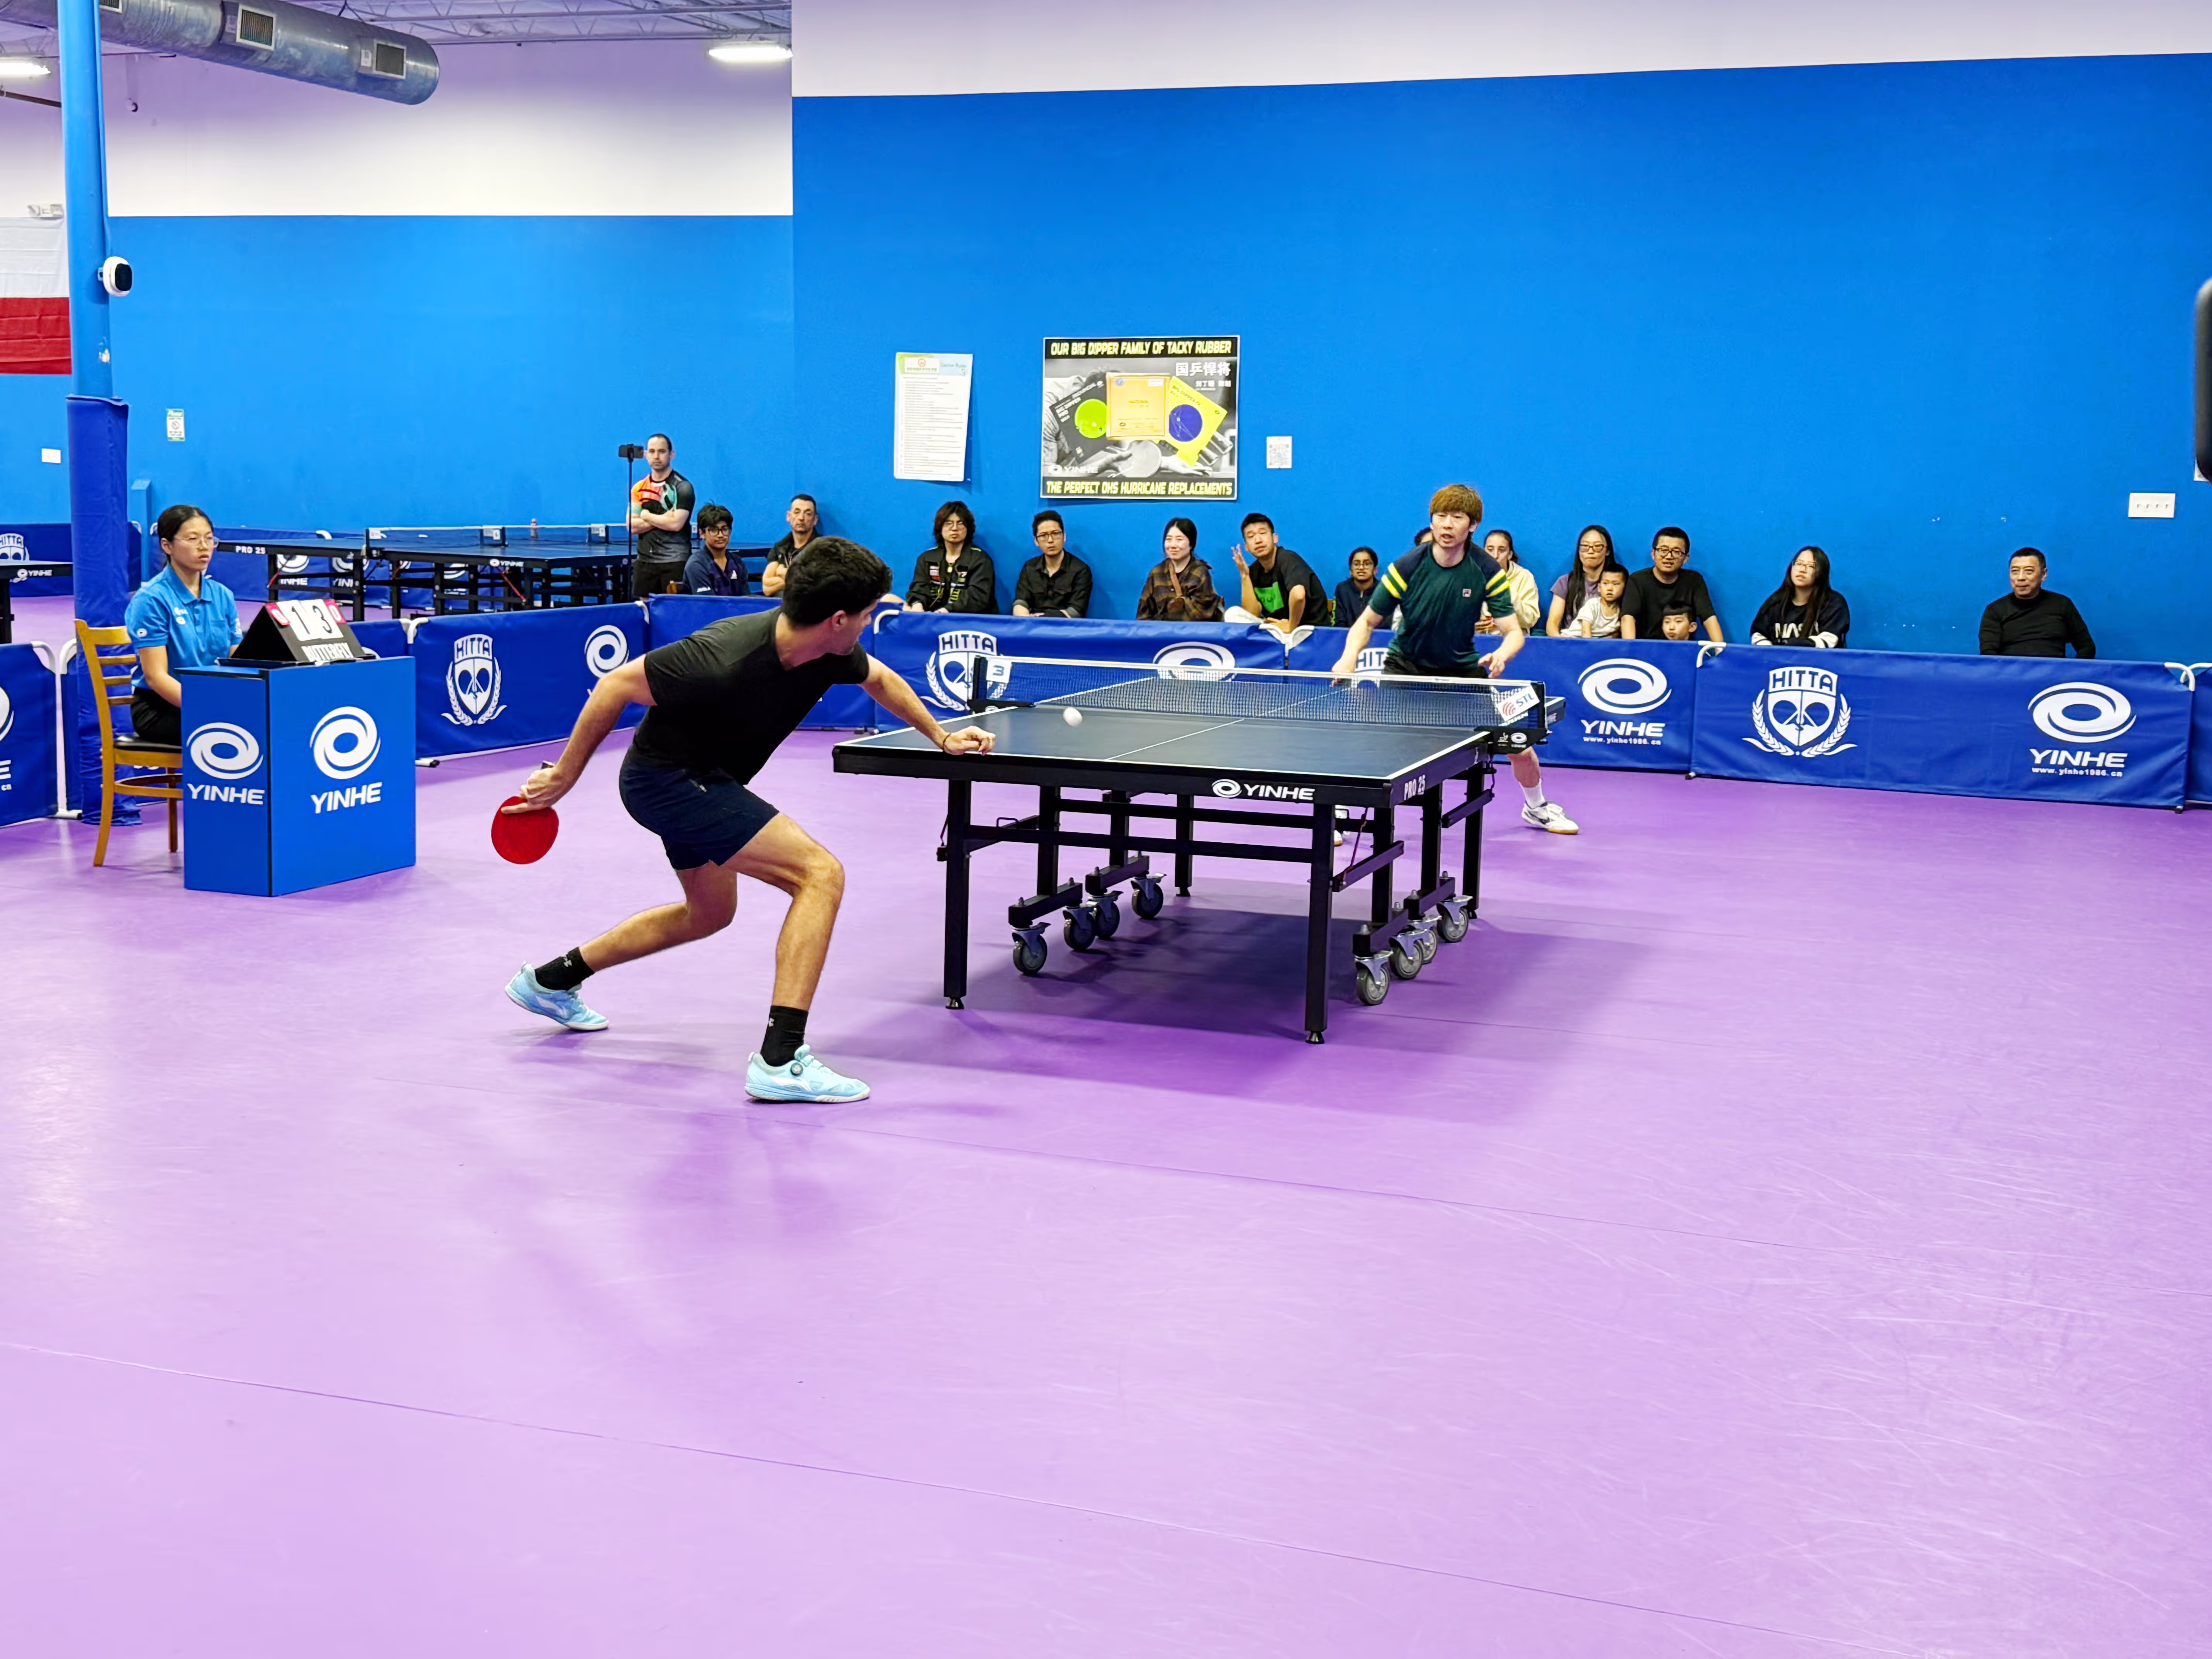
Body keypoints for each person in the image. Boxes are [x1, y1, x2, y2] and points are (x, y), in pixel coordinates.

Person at [501, 539, 994, 1104]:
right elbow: (616, 685)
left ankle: (550, 981)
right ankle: (781, 1059)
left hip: (704, 779)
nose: (869, 622)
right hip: (668, 780)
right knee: (820, 874)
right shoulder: (722, 657)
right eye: (867, 614)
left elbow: (878, 679)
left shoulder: (831, 651)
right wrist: (565, 775)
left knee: (709, 914)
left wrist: (942, 736)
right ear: (838, 620)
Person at [1331, 484, 1578, 835]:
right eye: (1440, 517)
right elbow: (1367, 621)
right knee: (1373, 743)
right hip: (1407, 670)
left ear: (1472, 524)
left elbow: (1514, 632)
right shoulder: (1409, 566)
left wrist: (1502, 655)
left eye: (1456, 517)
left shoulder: (1485, 568)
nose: (1446, 525)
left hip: (1462, 672)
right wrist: (1348, 658)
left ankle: (1537, 807)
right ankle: (1341, 813)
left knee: (1518, 743)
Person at [125, 504, 242, 745]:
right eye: (192, 539)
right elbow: (156, 677)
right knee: (236, 732)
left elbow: (237, 660)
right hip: (161, 708)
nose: (204, 547)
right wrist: (206, 708)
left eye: (210, 539)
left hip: (216, 700)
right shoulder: (152, 599)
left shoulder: (223, 596)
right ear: (167, 546)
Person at [1978, 548, 2095, 658]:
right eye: (2015, 572)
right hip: (2011, 676)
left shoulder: (2062, 605)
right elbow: (1988, 655)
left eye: (2029, 571)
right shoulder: (1995, 610)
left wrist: (2072, 674)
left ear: (2044, 575)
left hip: (2056, 676)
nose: (2021, 578)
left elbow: (2087, 648)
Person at [1226, 513, 1321, 638]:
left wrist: (1291, 627)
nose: (1258, 540)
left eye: (1263, 533)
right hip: (1277, 631)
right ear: (1247, 547)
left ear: (1275, 538)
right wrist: (1245, 576)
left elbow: (1298, 595)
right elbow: (1253, 613)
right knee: (1233, 614)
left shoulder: (1288, 559)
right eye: (1251, 536)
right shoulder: (1254, 571)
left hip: (1306, 632)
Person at [1621, 526, 1721, 643]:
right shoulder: (1637, 580)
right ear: (1653, 554)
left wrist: (1720, 651)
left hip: (1683, 649)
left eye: (1676, 552)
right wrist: (1630, 651)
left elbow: (1709, 617)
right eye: (1663, 550)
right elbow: (1628, 618)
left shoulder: (1694, 580)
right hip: (1647, 650)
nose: (1669, 557)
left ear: (1686, 558)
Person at [625, 433, 694, 599]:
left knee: (674, 613)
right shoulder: (638, 488)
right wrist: (664, 518)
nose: (657, 456)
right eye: (653, 451)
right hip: (645, 562)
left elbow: (676, 524)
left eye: (662, 452)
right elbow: (632, 527)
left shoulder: (683, 487)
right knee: (645, 612)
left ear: (672, 455)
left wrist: (645, 514)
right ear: (646, 454)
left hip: (675, 561)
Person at [904, 500, 997, 613]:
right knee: (889, 599)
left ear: (968, 528)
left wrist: (946, 611)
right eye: (948, 523)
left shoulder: (980, 560)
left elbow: (977, 598)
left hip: (969, 622)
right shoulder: (927, 559)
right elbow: (919, 589)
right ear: (940, 528)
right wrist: (917, 605)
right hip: (932, 619)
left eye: (960, 523)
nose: (955, 528)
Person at [1749, 546, 1850, 647]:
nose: (1802, 570)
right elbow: (1759, 635)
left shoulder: (1833, 603)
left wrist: (1791, 645)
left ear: (1822, 572)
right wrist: (1772, 652)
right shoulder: (1776, 602)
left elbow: (1829, 640)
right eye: (1799, 564)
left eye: (1811, 566)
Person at [1135, 517, 1226, 622]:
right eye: (1169, 539)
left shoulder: (1200, 572)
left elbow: (1204, 613)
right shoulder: (1156, 573)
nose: (1173, 545)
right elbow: (1144, 614)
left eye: (1179, 540)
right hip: (1161, 635)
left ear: (1191, 544)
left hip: (1195, 636)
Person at [1012, 511, 1093, 618]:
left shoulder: (1081, 570)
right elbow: (1021, 603)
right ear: (1036, 541)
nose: (1050, 540)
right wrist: (1025, 620)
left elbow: (1076, 611)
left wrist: (1042, 618)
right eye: (1044, 535)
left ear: (1064, 537)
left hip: (1066, 629)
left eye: (1055, 534)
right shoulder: (1029, 568)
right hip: (1032, 628)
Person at [1545, 525, 1618, 636]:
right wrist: (1563, 645)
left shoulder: (1620, 582)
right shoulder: (1565, 582)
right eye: (1585, 546)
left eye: (1597, 546)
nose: (1590, 551)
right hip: (1571, 643)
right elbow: (1552, 626)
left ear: (1607, 551)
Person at [1477, 529, 1542, 637]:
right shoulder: (1473, 575)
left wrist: (1504, 586)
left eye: (1502, 550)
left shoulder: (1524, 577)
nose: (1495, 556)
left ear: (1510, 555)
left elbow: (1530, 620)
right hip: (1480, 639)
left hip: (1514, 639)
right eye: (1490, 550)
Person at [681, 503, 749, 597]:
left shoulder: (738, 563)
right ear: (702, 533)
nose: (721, 535)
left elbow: (746, 599)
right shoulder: (697, 565)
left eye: (725, 529)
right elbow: (708, 604)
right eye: (714, 530)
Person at [761, 494, 821, 598]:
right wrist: (796, 579)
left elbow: (815, 586)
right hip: (778, 606)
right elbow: (767, 588)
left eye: (808, 514)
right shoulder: (779, 548)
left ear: (815, 520)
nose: (801, 518)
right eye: (797, 512)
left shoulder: (821, 548)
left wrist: (785, 574)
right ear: (789, 516)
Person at [1571, 565, 1629, 638]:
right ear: (1599, 587)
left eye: (1616, 584)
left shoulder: (1622, 610)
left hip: (1597, 643)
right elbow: (1586, 632)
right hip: (1573, 640)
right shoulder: (1593, 605)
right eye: (1606, 583)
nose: (1610, 589)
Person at [1332, 548, 1380, 627]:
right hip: (1347, 637)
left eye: (1367, 564)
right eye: (1357, 564)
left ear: (1375, 570)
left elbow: (1386, 623)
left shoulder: (1383, 591)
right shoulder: (1343, 590)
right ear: (1351, 570)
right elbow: (1339, 622)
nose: (1361, 568)